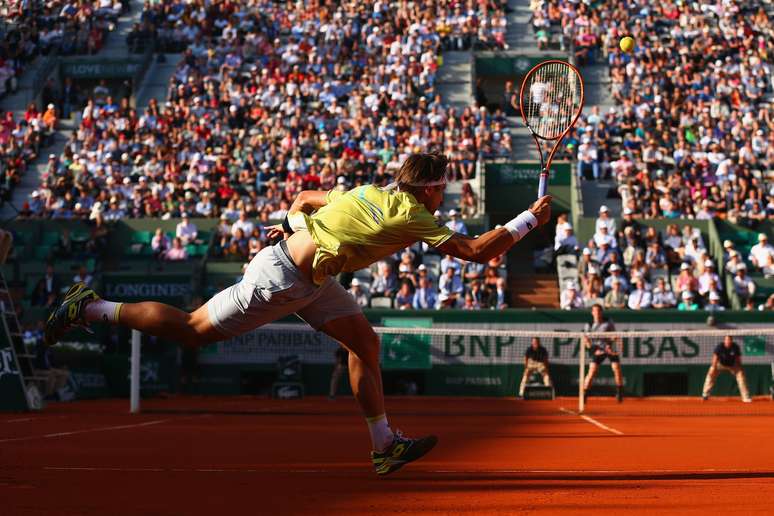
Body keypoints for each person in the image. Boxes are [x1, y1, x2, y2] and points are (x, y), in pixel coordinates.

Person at [44, 153, 552, 476]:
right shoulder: (416, 214)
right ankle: (92, 306)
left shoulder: (369, 191)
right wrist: (529, 218)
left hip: (313, 280)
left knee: (364, 345)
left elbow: (305, 197)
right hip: (282, 279)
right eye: (442, 189)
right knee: (193, 330)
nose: (443, 197)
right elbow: (477, 252)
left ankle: (384, 446)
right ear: (428, 189)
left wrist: (289, 226)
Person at [582, 304, 623, 402]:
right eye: (595, 311)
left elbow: (614, 335)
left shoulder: (608, 322)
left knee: (616, 368)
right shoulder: (589, 324)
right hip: (596, 349)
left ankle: (619, 391)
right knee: (592, 372)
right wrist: (594, 349)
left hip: (609, 348)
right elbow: (586, 340)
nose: (597, 313)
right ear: (592, 313)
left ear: (601, 312)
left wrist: (610, 344)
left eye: (598, 311)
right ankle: (584, 393)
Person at [701, 335, 751, 402]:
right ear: (724, 341)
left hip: (732, 365)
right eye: (726, 340)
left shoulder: (735, 347)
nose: (728, 341)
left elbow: (738, 359)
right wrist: (713, 368)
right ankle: (705, 395)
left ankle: (745, 397)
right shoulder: (719, 347)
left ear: (731, 341)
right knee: (710, 374)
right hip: (720, 364)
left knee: (741, 376)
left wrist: (740, 368)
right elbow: (714, 359)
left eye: (729, 340)